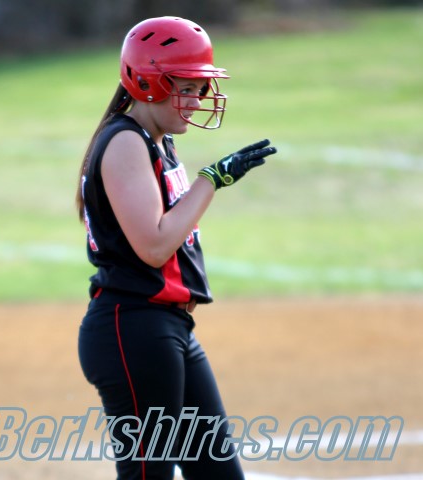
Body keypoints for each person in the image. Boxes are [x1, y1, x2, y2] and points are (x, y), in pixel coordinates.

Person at [76, 16, 277, 480]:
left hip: (167, 328)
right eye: (186, 88)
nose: (197, 100)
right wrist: (211, 181)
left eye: (200, 89)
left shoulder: (156, 141)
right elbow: (154, 246)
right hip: (134, 327)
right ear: (147, 82)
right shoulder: (125, 142)